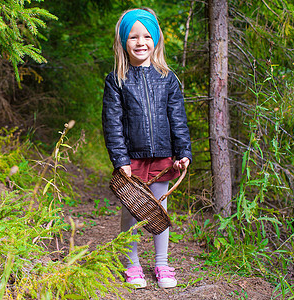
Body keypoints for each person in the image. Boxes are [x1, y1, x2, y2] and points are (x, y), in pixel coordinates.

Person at [102, 8, 192, 289]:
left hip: (164, 156)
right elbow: (112, 123)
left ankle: (162, 263)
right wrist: (120, 159)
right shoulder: (117, 79)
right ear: (123, 42)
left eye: (146, 36)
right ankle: (132, 264)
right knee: (132, 209)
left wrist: (183, 153)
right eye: (133, 37)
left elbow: (177, 118)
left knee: (159, 208)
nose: (141, 42)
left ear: (156, 40)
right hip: (132, 158)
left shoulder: (167, 77)